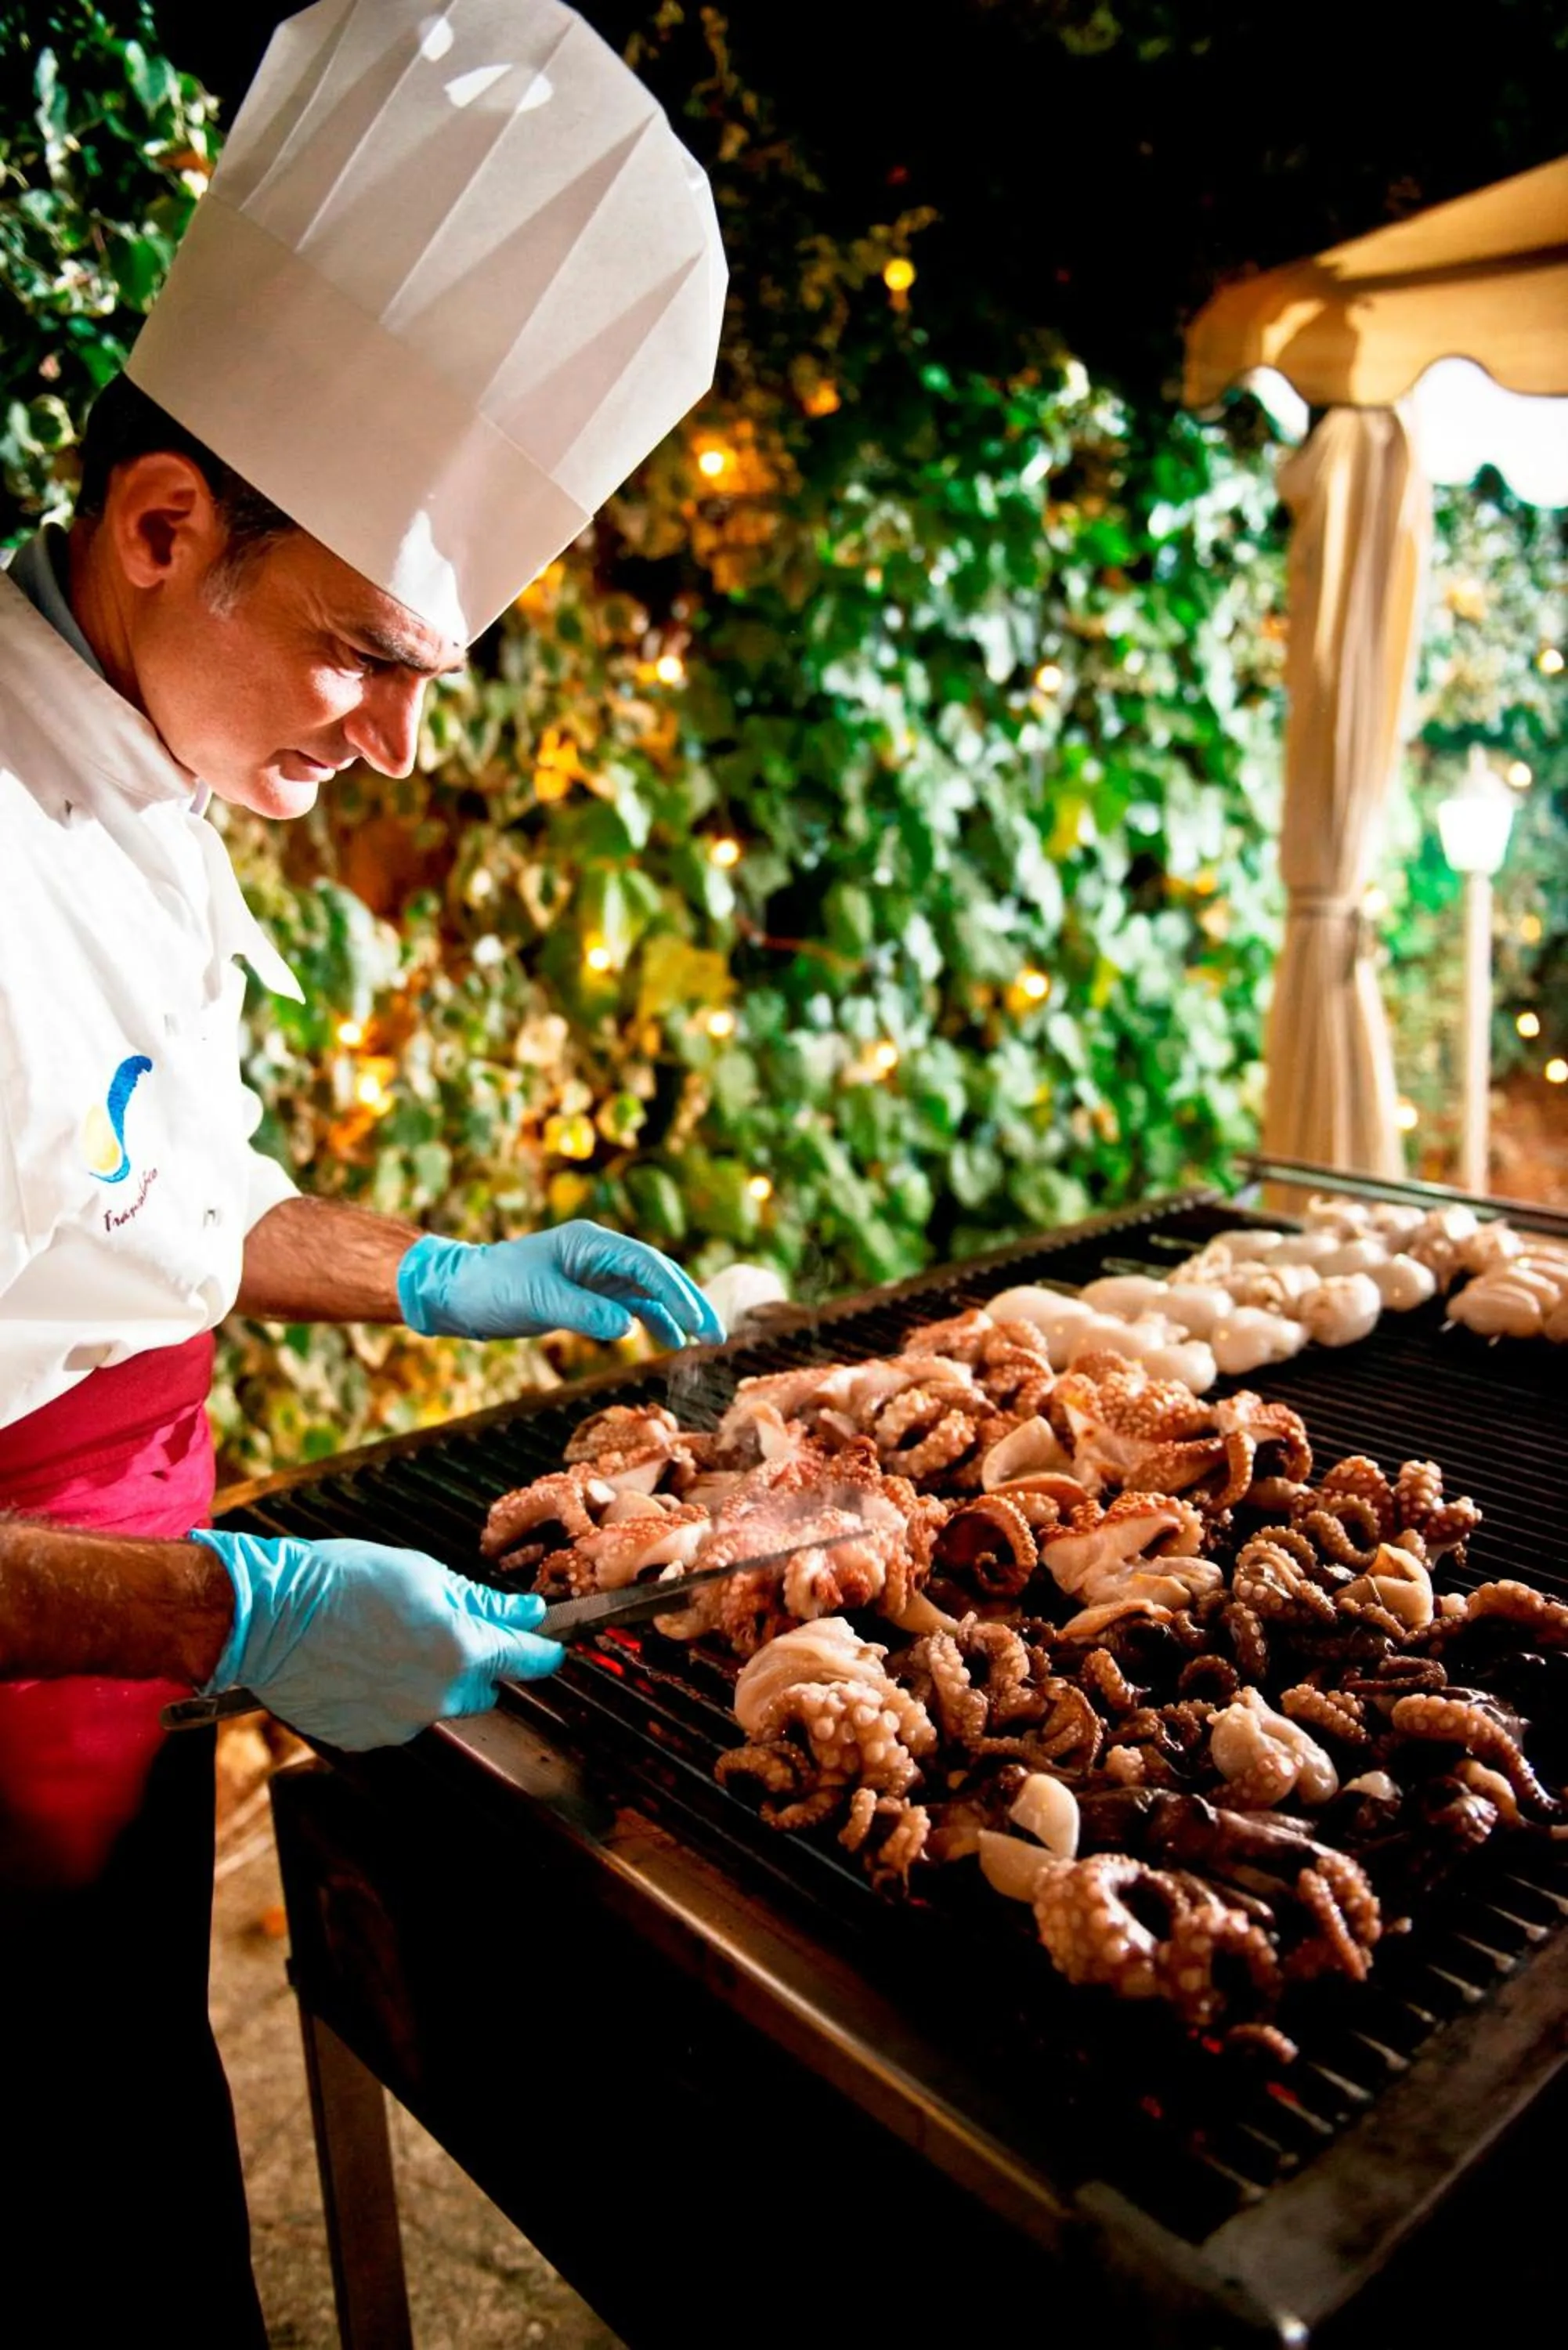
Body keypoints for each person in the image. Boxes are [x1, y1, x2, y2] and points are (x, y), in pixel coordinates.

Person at [0, 1, 726, 2334]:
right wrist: (243, 1615)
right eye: (363, 653)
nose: (402, 737)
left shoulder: (133, 760)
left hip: (95, 1725)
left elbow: (156, 1195)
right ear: (162, 522)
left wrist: (447, 1274)